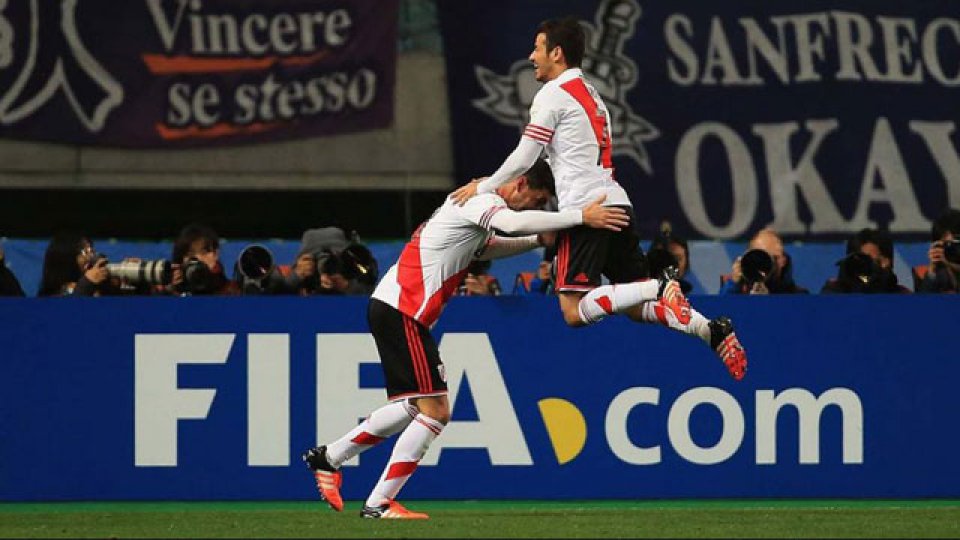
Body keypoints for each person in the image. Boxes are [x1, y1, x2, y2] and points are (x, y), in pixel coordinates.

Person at [302, 160, 629, 520]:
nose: (535, 208)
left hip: (398, 308)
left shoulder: (479, 201)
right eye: (536, 200)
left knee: (416, 405)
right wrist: (579, 217)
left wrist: (538, 239)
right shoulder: (481, 198)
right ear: (520, 183)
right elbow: (510, 224)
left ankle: (329, 457)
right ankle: (378, 503)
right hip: (403, 309)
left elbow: (485, 248)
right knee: (436, 412)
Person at [450, 16, 746, 380]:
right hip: (617, 204)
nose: (531, 56)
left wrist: (482, 188)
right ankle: (709, 330)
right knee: (636, 306)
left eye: (538, 48)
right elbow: (561, 159)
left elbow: (525, 157)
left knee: (573, 311)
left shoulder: (553, 95)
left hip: (587, 211)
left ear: (556, 53)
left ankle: (661, 285)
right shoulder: (593, 96)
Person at [719, 227, 808, 295]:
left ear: (783, 260)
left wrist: (767, 303)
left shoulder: (799, 297)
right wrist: (733, 285)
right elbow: (721, 311)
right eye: (760, 257)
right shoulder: (734, 290)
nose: (766, 263)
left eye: (774, 257)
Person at [821, 228, 910, 294]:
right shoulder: (834, 292)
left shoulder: (901, 296)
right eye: (857, 261)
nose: (861, 266)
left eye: (867, 260)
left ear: (885, 262)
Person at [163, 223, 239, 296]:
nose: (198, 258)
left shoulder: (233, 292)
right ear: (181, 259)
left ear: (215, 254)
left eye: (203, 252)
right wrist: (172, 291)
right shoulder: (171, 292)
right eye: (190, 254)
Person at [912, 208, 960, 293]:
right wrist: (932, 271)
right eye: (947, 244)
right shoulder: (922, 273)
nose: (952, 248)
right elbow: (922, 300)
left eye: (956, 242)